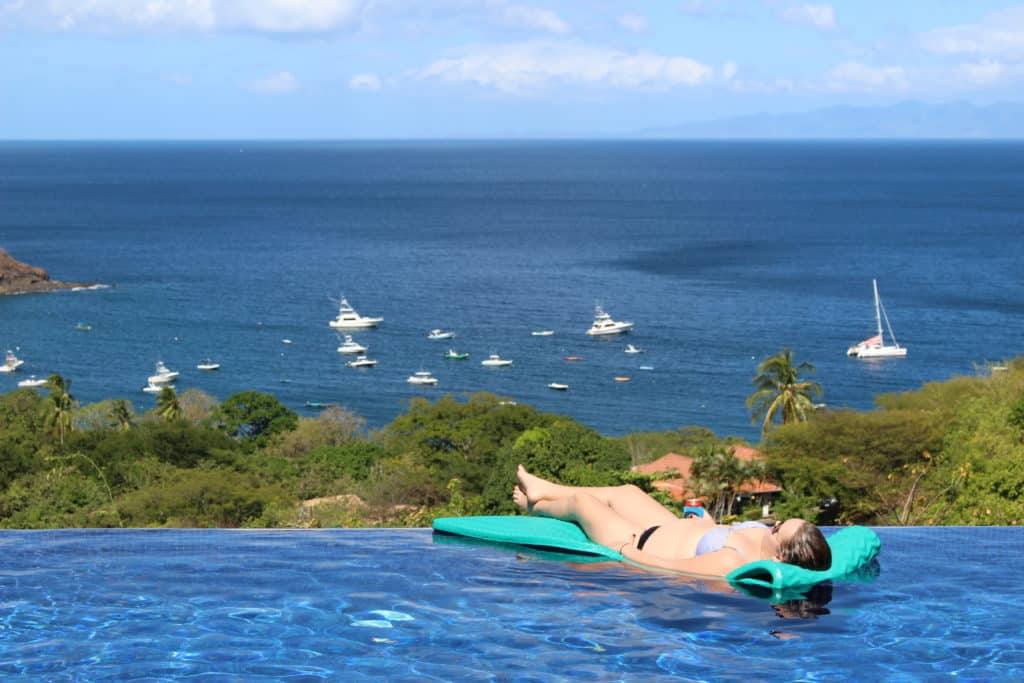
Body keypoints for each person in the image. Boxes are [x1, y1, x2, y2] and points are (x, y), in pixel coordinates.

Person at [513, 465, 831, 577]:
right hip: (668, 524)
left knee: (583, 504)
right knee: (626, 490)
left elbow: (665, 569)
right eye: (780, 521)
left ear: (779, 556)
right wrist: (707, 520)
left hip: (637, 539)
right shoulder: (759, 535)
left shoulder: (732, 563)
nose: (773, 525)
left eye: (778, 530)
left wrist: (624, 551)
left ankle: (535, 506)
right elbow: (723, 532)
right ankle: (545, 489)